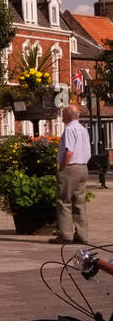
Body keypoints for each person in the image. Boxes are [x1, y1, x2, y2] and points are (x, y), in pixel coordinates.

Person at [54, 104, 91, 244]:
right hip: (83, 167)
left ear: (68, 115)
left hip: (71, 168)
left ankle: (66, 235)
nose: (62, 116)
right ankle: (82, 235)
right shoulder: (83, 129)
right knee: (80, 203)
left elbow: (69, 152)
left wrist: (62, 167)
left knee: (64, 202)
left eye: (63, 113)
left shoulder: (69, 129)